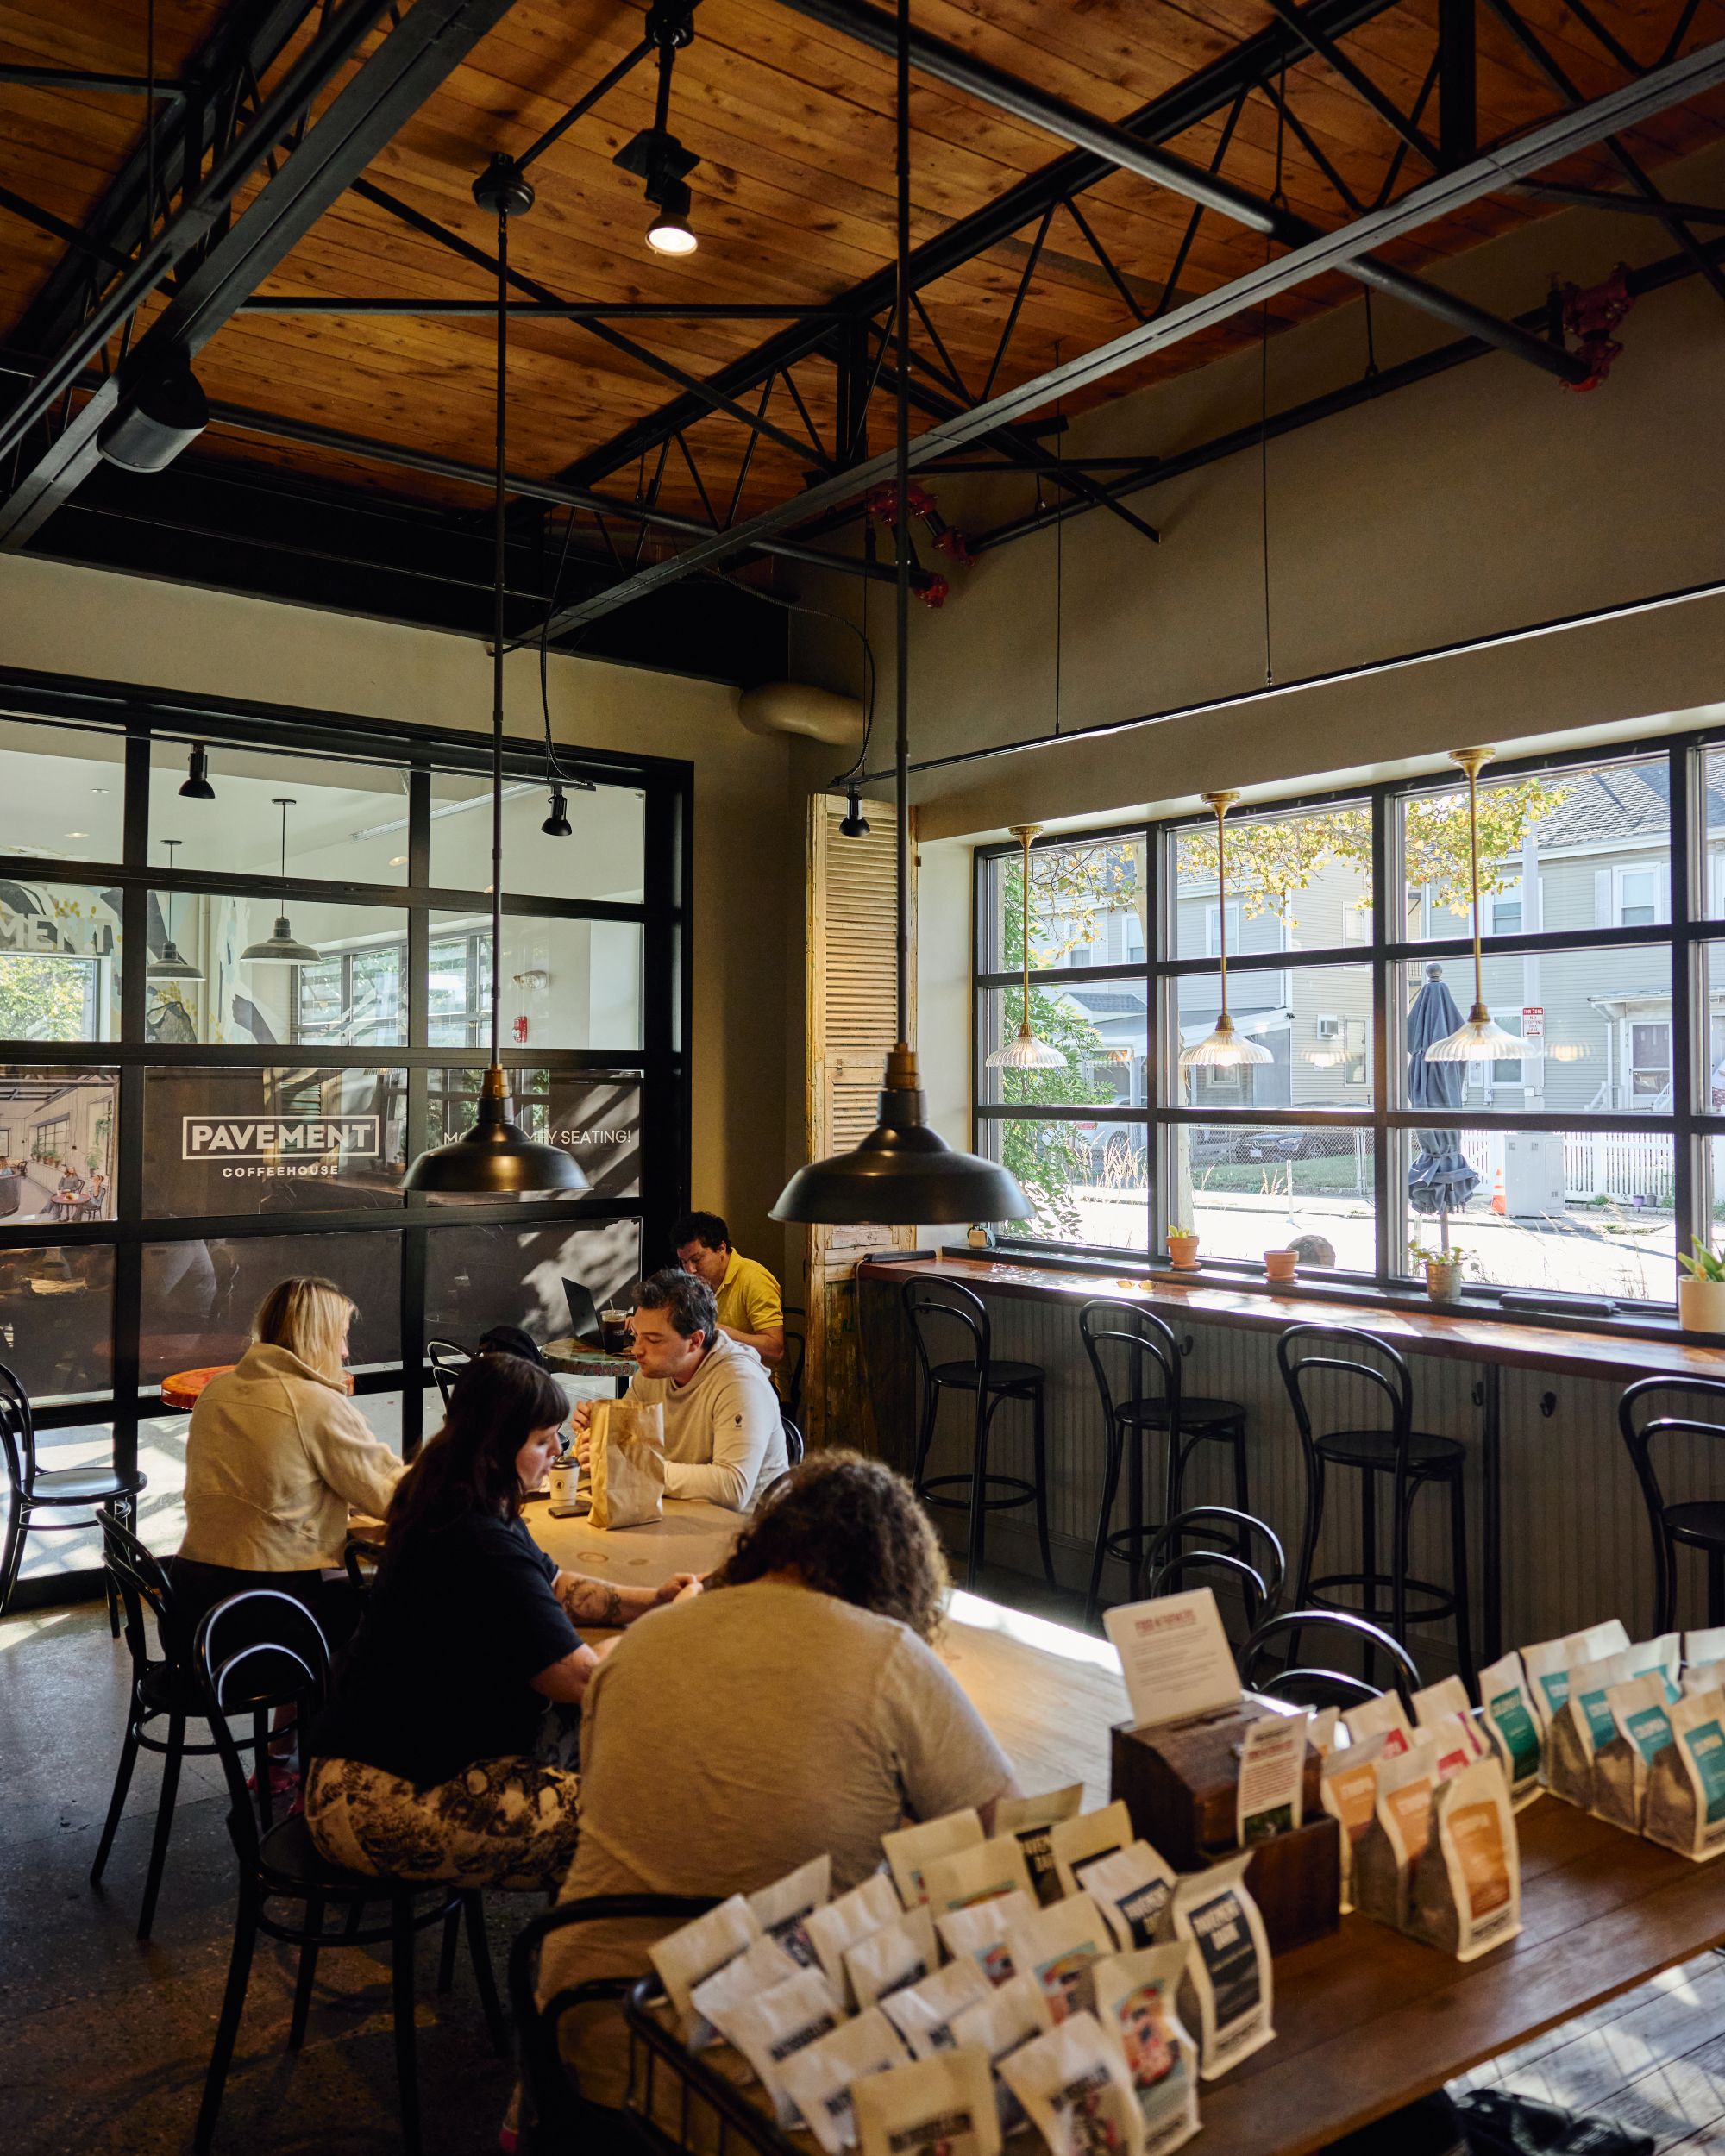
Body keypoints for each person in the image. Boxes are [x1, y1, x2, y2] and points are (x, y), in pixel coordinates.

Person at [537, 1451, 1021, 2109]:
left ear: (762, 1546)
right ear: (895, 1576)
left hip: (580, 2025)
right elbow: (1014, 1839)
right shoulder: (887, 1657)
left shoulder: (642, 1643)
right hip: (754, 2067)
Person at [307, 1353, 698, 1890]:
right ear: (495, 1447)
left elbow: (556, 1586)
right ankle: (593, 1942)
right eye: (542, 1440)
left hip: (390, 1757)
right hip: (376, 1800)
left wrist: (653, 1599)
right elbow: (583, 1679)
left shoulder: (464, 1498)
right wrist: (672, 1624)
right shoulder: (476, 1537)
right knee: (638, 1819)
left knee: (616, 1753)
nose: (557, 1451)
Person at [172, 1275, 404, 1655]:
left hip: (193, 1606)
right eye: (340, 1337)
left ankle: (320, 1694)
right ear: (316, 1338)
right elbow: (393, 1497)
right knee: (398, 1607)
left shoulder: (217, 1390)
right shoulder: (314, 1402)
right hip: (268, 1613)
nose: (345, 1352)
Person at [573, 1269, 787, 1512]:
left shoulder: (740, 1382)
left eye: (653, 1340)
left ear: (695, 1341)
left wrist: (634, 1467)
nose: (637, 1350)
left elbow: (732, 1487)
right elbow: (625, 1439)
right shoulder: (654, 1372)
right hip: (675, 1514)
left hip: (744, 1527)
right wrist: (600, 1430)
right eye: (637, 1336)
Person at [672, 1209, 785, 1368]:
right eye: (684, 1262)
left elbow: (775, 1351)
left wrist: (718, 1332)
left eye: (696, 1259)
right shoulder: (697, 1283)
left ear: (721, 1249)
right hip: (717, 1370)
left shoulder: (754, 1279)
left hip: (757, 1377)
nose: (690, 1270)